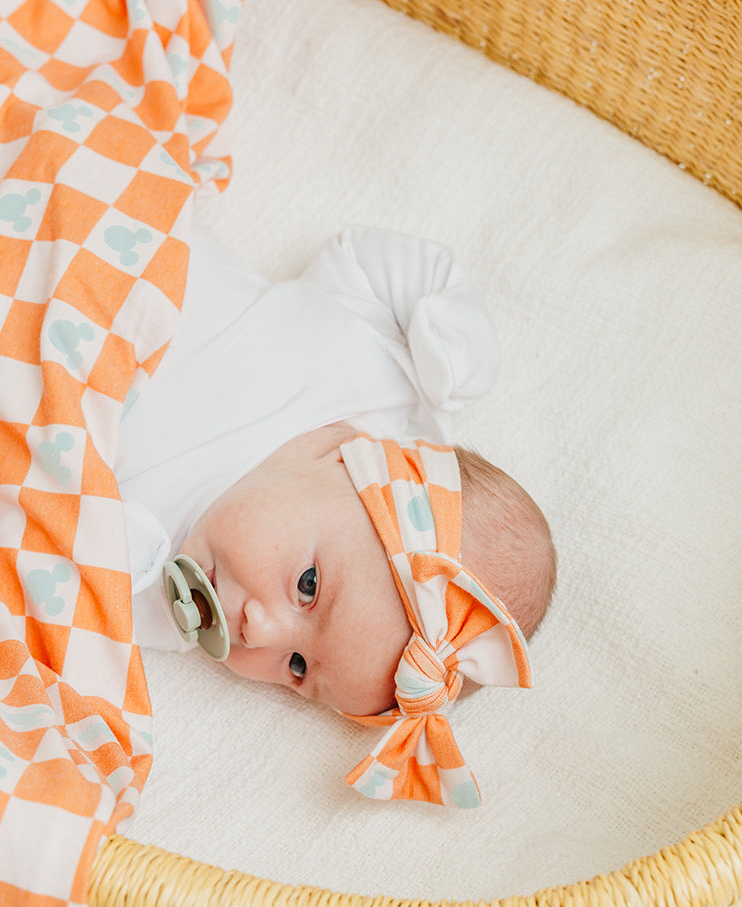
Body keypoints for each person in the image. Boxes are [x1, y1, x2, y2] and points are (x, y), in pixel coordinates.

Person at [117, 223, 556, 802]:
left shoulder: (161, 592)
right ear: (357, 468)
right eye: (307, 586)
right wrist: (454, 339)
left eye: (297, 668)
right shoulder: (371, 378)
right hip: (117, 224)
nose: (259, 630)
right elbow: (371, 265)